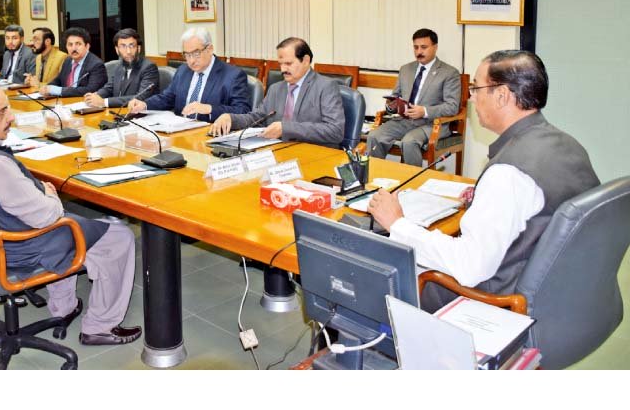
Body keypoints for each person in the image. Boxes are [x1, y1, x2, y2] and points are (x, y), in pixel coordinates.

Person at [368, 50, 600, 312]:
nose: (472, 98)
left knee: (374, 276)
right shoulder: (569, 144)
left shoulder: (508, 174)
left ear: (501, 96)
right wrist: (485, 198)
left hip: (494, 302)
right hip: (563, 297)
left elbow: (469, 267)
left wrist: (397, 223)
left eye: (476, 88)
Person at [0, 79, 141, 346]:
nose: (11, 117)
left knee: (72, 222)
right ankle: (100, 327)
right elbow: (47, 216)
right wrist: (48, 195)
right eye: (2, 112)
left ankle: (64, 308)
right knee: (118, 236)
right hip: (17, 249)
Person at [209, 37, 344, 148]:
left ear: (306, 61)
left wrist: (286, 128)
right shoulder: (276, 88)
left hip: (314, 154)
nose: (282, 69)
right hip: (278, 152)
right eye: (280, 64)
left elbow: (335, 131)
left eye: (288, 63)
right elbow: (258, 118)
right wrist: (231, 118)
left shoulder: (326, 87)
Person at [367, 28, 460, 166]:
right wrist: (391, 104)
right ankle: (375, 177)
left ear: (435, 47)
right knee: (374, 136)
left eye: (423, 47)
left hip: (431, 124)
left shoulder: (449, 73)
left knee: (409, 142)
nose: (419, 52)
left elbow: (452, 106)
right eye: (415, 47)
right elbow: (396, 95)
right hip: (404, 121)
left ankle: (413, 184)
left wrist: (424, 111)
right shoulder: (406, 69)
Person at [127, 27, 250, 122]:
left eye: (196, 53)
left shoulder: (233, 76)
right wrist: (145, 104)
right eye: (187, 54)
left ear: (210, 49)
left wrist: (209, 108)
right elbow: (167, 98)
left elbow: (242, 111)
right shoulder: (183, 70)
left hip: (209, 134)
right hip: (180, 133)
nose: (191, 60)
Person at [84, 28, 159, 109]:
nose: (128, 51)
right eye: (123, 46)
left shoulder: (149, 68)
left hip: (140, 115)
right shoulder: (119, 66)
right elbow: (109, 88)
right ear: (117, 50)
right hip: (119, 113)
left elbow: (140, 97)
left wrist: (104, 102)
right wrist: (95, 96)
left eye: (132, 46)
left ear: (139, 48)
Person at [39, 27, 107, 98]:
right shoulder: (68, 60)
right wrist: (47, 87)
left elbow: (91, 90)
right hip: (65, 102)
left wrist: (59, 91)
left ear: (87, 46)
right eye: (70, 44)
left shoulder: (96, 65)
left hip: (83, 103)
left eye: (78, 44)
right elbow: (59, 79)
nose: (74, 48)